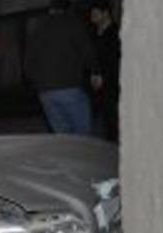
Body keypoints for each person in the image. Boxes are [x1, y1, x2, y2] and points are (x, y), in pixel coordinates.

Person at [25, 0, 99, 135]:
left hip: (45, 91)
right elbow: (87, 51)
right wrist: (95, 71)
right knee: (83, 136)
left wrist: (37, 83)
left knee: (63, 137)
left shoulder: (38, 27)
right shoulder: (72, 23)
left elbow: (28, 61)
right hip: (70, 86)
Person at [89, 0, 121, 142]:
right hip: (99, 88)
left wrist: (103, 77)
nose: (92, 16)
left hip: (113, 86)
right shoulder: (94, 34)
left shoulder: (115, 34)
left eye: (95, 13)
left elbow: (115, 61)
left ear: (105, 14)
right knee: (105, 123)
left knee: (113, 122)